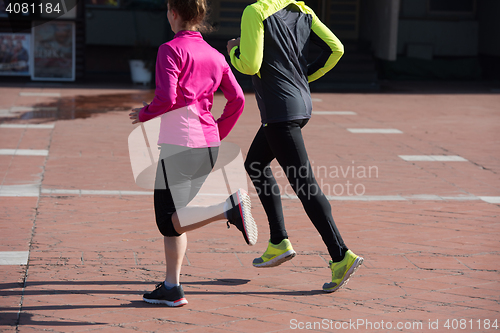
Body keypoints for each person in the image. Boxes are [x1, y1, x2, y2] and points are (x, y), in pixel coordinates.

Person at [227, 0, 363, 293]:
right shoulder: (303, 10)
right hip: (300, 106)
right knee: (255, 164)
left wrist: (233, 53)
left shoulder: (256, 11)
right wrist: (304, 77)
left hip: (280, 112)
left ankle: (341, 255)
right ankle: (278, 241)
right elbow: (336, 48)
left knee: (305, 186)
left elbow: (249, 64)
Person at [129, 0, 257, 307]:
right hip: (207, 146)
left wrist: (144, 113)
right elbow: (238, 99)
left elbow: (167, 97)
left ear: (173, 12)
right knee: (179, 217)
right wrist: (217, 133)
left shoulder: (170, 49)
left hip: (179, 146)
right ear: (199, 17)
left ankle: (230, 208)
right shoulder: (215, 55)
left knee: (166, 220)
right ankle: (172, 286)